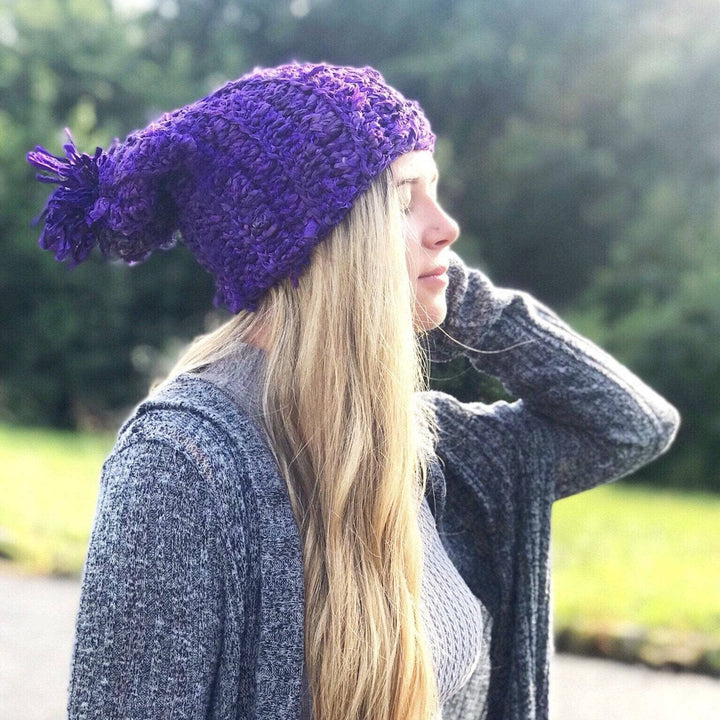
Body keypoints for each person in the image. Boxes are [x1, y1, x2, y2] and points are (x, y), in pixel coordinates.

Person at [28, 63, 679, 720]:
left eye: (436, 189)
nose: (446, 228)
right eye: (403, 199)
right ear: (316, 246)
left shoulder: (430, 449)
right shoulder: (182, 467)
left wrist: (456, 303)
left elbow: (629, 425)